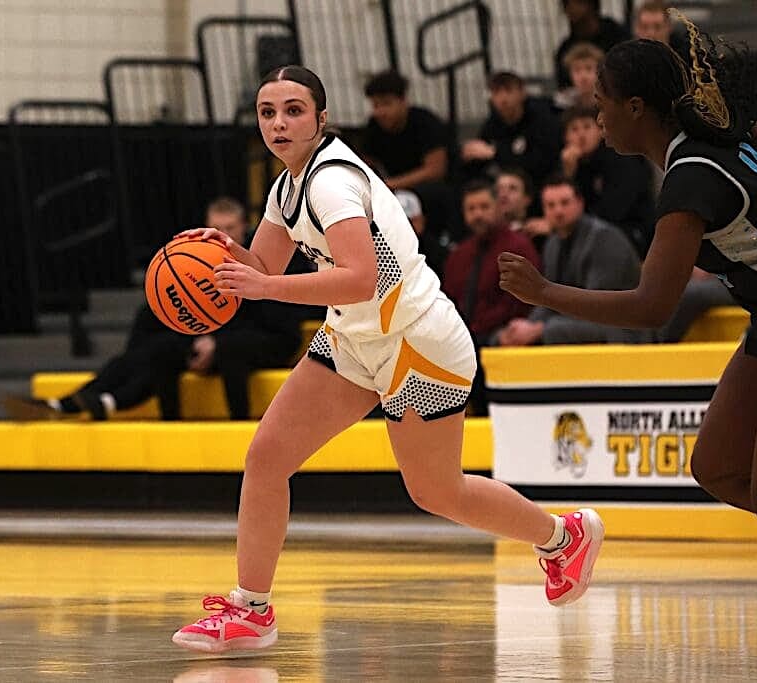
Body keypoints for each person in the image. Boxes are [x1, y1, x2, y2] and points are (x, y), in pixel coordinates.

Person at [170, 65, 605, 654]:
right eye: (268, 111)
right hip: (354, 339)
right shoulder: (286, 187)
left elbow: (357, 278)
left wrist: (263, 287)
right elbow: (264, 268)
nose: (279, 122)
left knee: (436, 493)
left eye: (294, 110)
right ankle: (251, 610)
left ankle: (561, 536)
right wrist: (220, 258)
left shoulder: (330, 182)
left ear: (322, 119)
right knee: (267, 458)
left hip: (417, 344)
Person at [498, 17, 757, 554]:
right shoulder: (723, 135)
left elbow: (650, 308)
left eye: (601, 102)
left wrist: (544, 293)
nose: (596, 115)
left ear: (635, 107)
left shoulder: (690, 177)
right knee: (718, 467)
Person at [3, 198, 311, 422]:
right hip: (217, 334)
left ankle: (240, 426)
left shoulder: (267, 251)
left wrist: (214, 340)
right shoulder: (203, 254)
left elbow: (270, 315)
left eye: (229, 227)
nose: (222, 234)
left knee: (227, 347)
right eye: (215, 227)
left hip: (268, 337)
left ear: (245, 226)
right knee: (155, 339)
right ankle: (85, 402)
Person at [493, 176, 647, 347]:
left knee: (552, 329)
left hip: (620, 328)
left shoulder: (604, 239)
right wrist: (526, 327)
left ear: (580, 203)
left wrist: (538, 329)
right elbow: (546, 298)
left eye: (565, 203)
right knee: (506, 334)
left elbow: (598, 307)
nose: (558, 211)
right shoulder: (552, 243)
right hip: (579, 321)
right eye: (550, 206)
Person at [442, 181, 540, 415]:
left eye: (484, 207)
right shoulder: (458, 256)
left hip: (503, 339)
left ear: (498, 207)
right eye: (471, 209)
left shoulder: (518, 247)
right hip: (466, 341)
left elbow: (524, 302)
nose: (478, 214)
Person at [360, 70, 460, 270]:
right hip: (398, 192)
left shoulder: (425, 123)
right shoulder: (373, 128)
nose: (381, 111)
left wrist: (390, 185)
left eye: (386, 104)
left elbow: (435, 170)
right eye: (376, 105)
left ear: (403, 101)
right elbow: (365, 164)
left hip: (438, 192)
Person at [559, 106, 655, 256]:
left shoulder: (621, 157)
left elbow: (614, 211)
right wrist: (568, 173)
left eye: (586, 127)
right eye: (574, 129)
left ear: (599, 131)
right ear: (566, 137)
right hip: (594, 230)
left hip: (633, 232)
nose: (581, 135)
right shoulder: (575, 164)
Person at [460, 71, 562, 189]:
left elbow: (541, 162)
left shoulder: (542, 120)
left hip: (539, 185)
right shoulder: (492, 125)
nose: (503, 99)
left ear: (522, 93)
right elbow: (481, 154)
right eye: (497, 92)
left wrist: (495, 153)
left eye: (508, 90)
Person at [554, 0, 630, 89]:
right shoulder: (565, 50)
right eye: (566, 4)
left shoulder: (617, 35)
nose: (571, 8)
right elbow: (564, 88)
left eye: (578, 2)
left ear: (592, 5)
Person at [554, 42, 603, 111]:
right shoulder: (563, 102)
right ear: (569, 74)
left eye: (589, 68)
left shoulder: (608, 101)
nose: (583, 76)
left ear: (599, 71)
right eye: (577, 70)